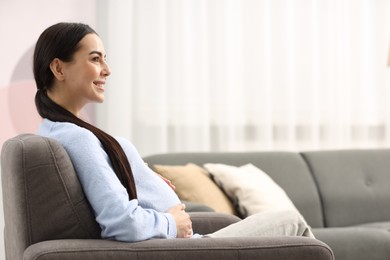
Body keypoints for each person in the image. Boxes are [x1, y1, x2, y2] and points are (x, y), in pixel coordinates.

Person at [34, 22, 314, 242]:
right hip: (182, 247)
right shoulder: (78, 138)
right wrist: (171, 223)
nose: (107, 69)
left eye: (105, 59)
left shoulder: (61, 131)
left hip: (181, 242)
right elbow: (119, 222)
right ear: (59, 68)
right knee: (291, 222)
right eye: (95, 59)